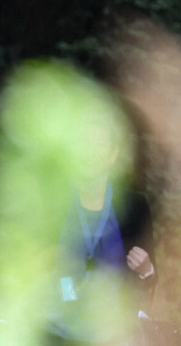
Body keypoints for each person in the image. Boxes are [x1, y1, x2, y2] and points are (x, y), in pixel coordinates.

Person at [47, 113, 157, 345]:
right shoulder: (53, 199)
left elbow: (148, 283)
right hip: (57, 328)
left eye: (98, 145)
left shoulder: (134, 206)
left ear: (113, 154)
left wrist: (146, 269)